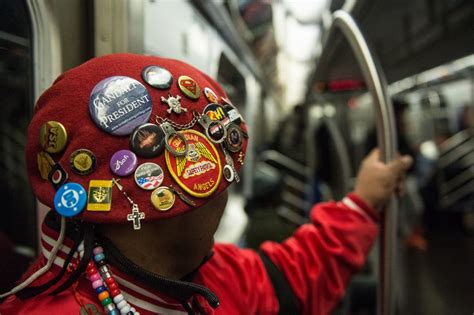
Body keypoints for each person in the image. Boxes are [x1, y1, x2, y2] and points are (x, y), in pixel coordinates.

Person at [0, 54, 412, 315]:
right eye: (221, 176)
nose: (226, 193)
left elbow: (294, 275)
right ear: (181, 201)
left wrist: (361, 202)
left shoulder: (207, 274)